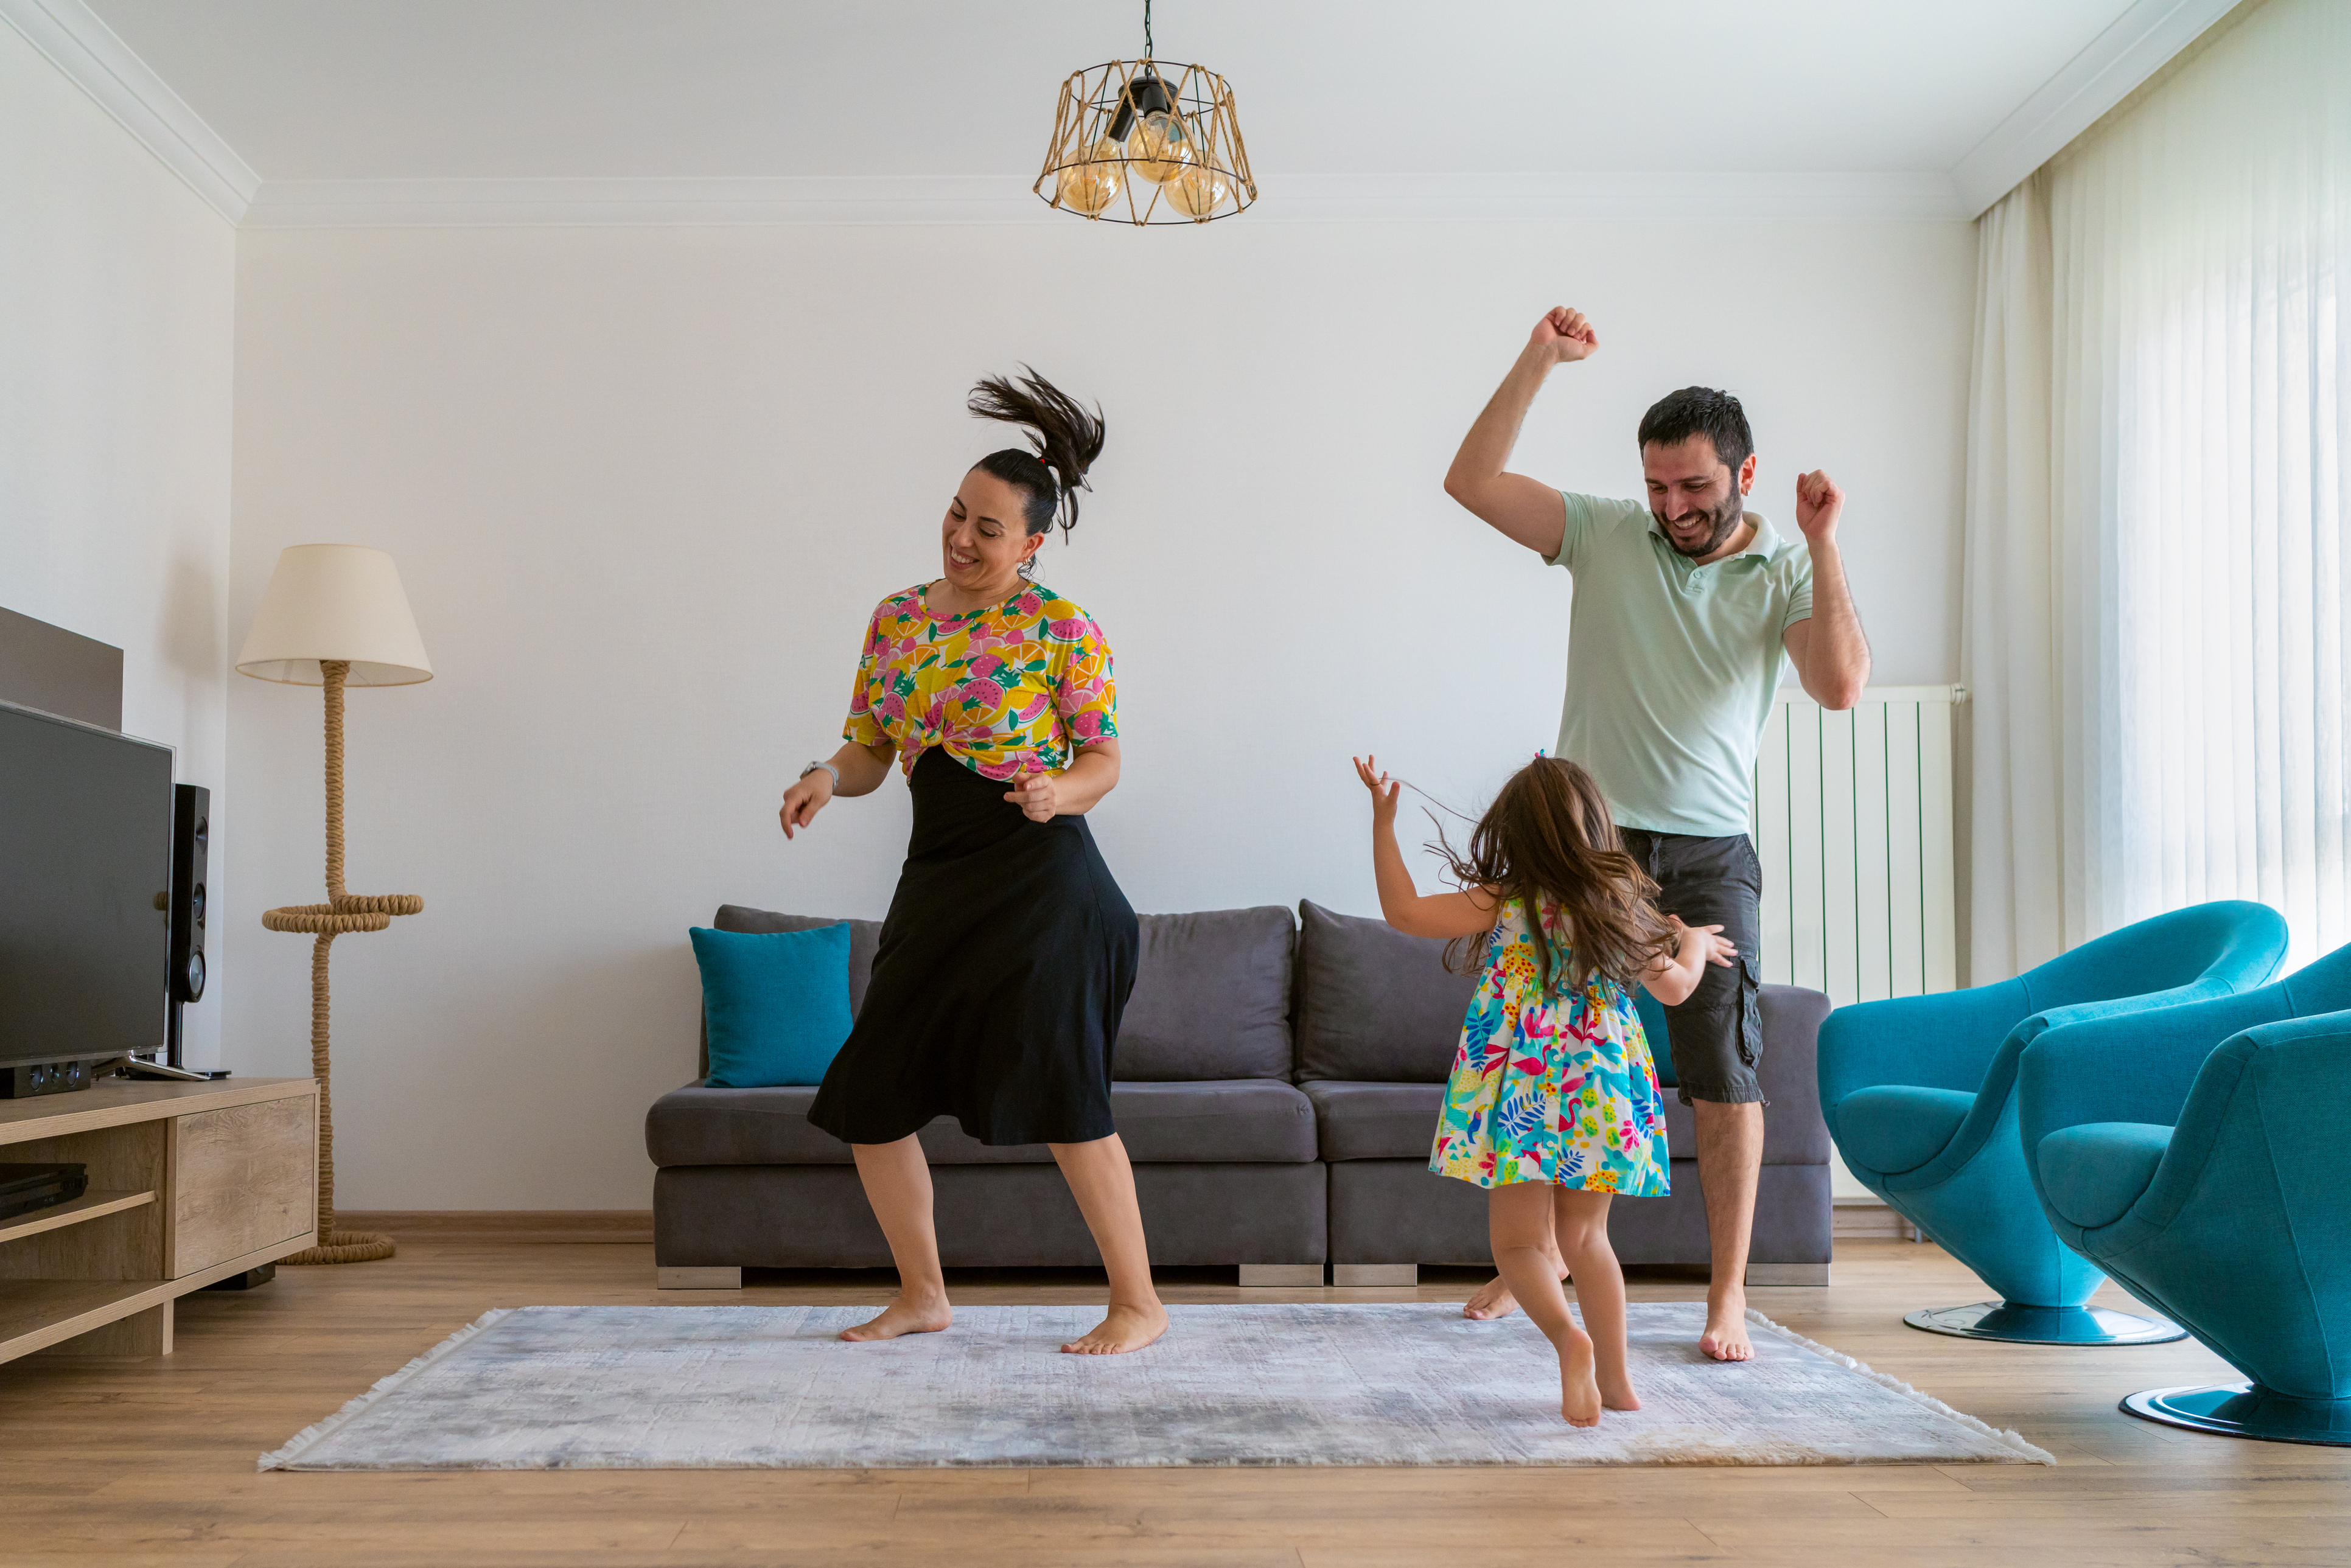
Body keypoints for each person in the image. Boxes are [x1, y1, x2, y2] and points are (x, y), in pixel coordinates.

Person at [1441, 306, 1871, 1362]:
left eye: (1695, 487)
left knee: (1722, 1072)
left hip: (1709, 850)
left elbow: (1839, 685)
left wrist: (1820, 545)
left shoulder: (1780, 572)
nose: (1674, 507)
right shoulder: (1600, 533)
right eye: (1658, 487)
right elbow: (1471, 481)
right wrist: (1540, 358)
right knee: (1551, 1051)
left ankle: (1725, 1294)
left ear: (1744, 474)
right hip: (1591, 847)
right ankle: (1526, 1256)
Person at [777, 368, 1167, 1357]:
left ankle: (1137, 1302)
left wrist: (1057, 791)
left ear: (1032, 543)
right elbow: (871, 745)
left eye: (988, 527)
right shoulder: (897, 619)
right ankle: (923, 1293)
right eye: (957, 513)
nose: (961, 536)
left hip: (1045, 882)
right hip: (941, 876)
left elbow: (1103, 760)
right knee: (871, 1087)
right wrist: (828, 774)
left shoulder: (1061, 629)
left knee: (1065, 1095)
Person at [1353, 751, 1733, 1425]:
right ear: (1595, 829)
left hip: (1517, 1082)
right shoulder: (1619, 906)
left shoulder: (1507, 899)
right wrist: (1692, 941)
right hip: (1597, 1084)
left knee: (1521, 1246)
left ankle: (1568, 1339)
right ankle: (1616, 1383)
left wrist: (1383, 822)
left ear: (1516, 833)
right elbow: (1676, 988)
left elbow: (1404, 912)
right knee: (1587, 1240)